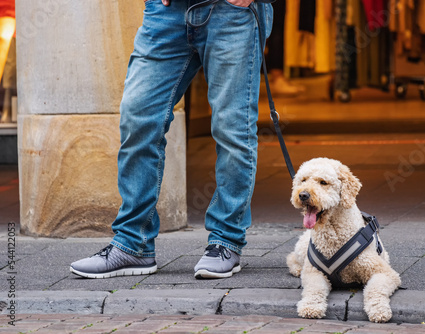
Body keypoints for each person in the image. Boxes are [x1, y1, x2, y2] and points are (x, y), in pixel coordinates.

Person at [70, 0, 273, 279]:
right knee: (138, 115)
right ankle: (133, 244)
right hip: (166, 13)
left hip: (232, 13)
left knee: (232, 128)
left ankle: (226, 240)